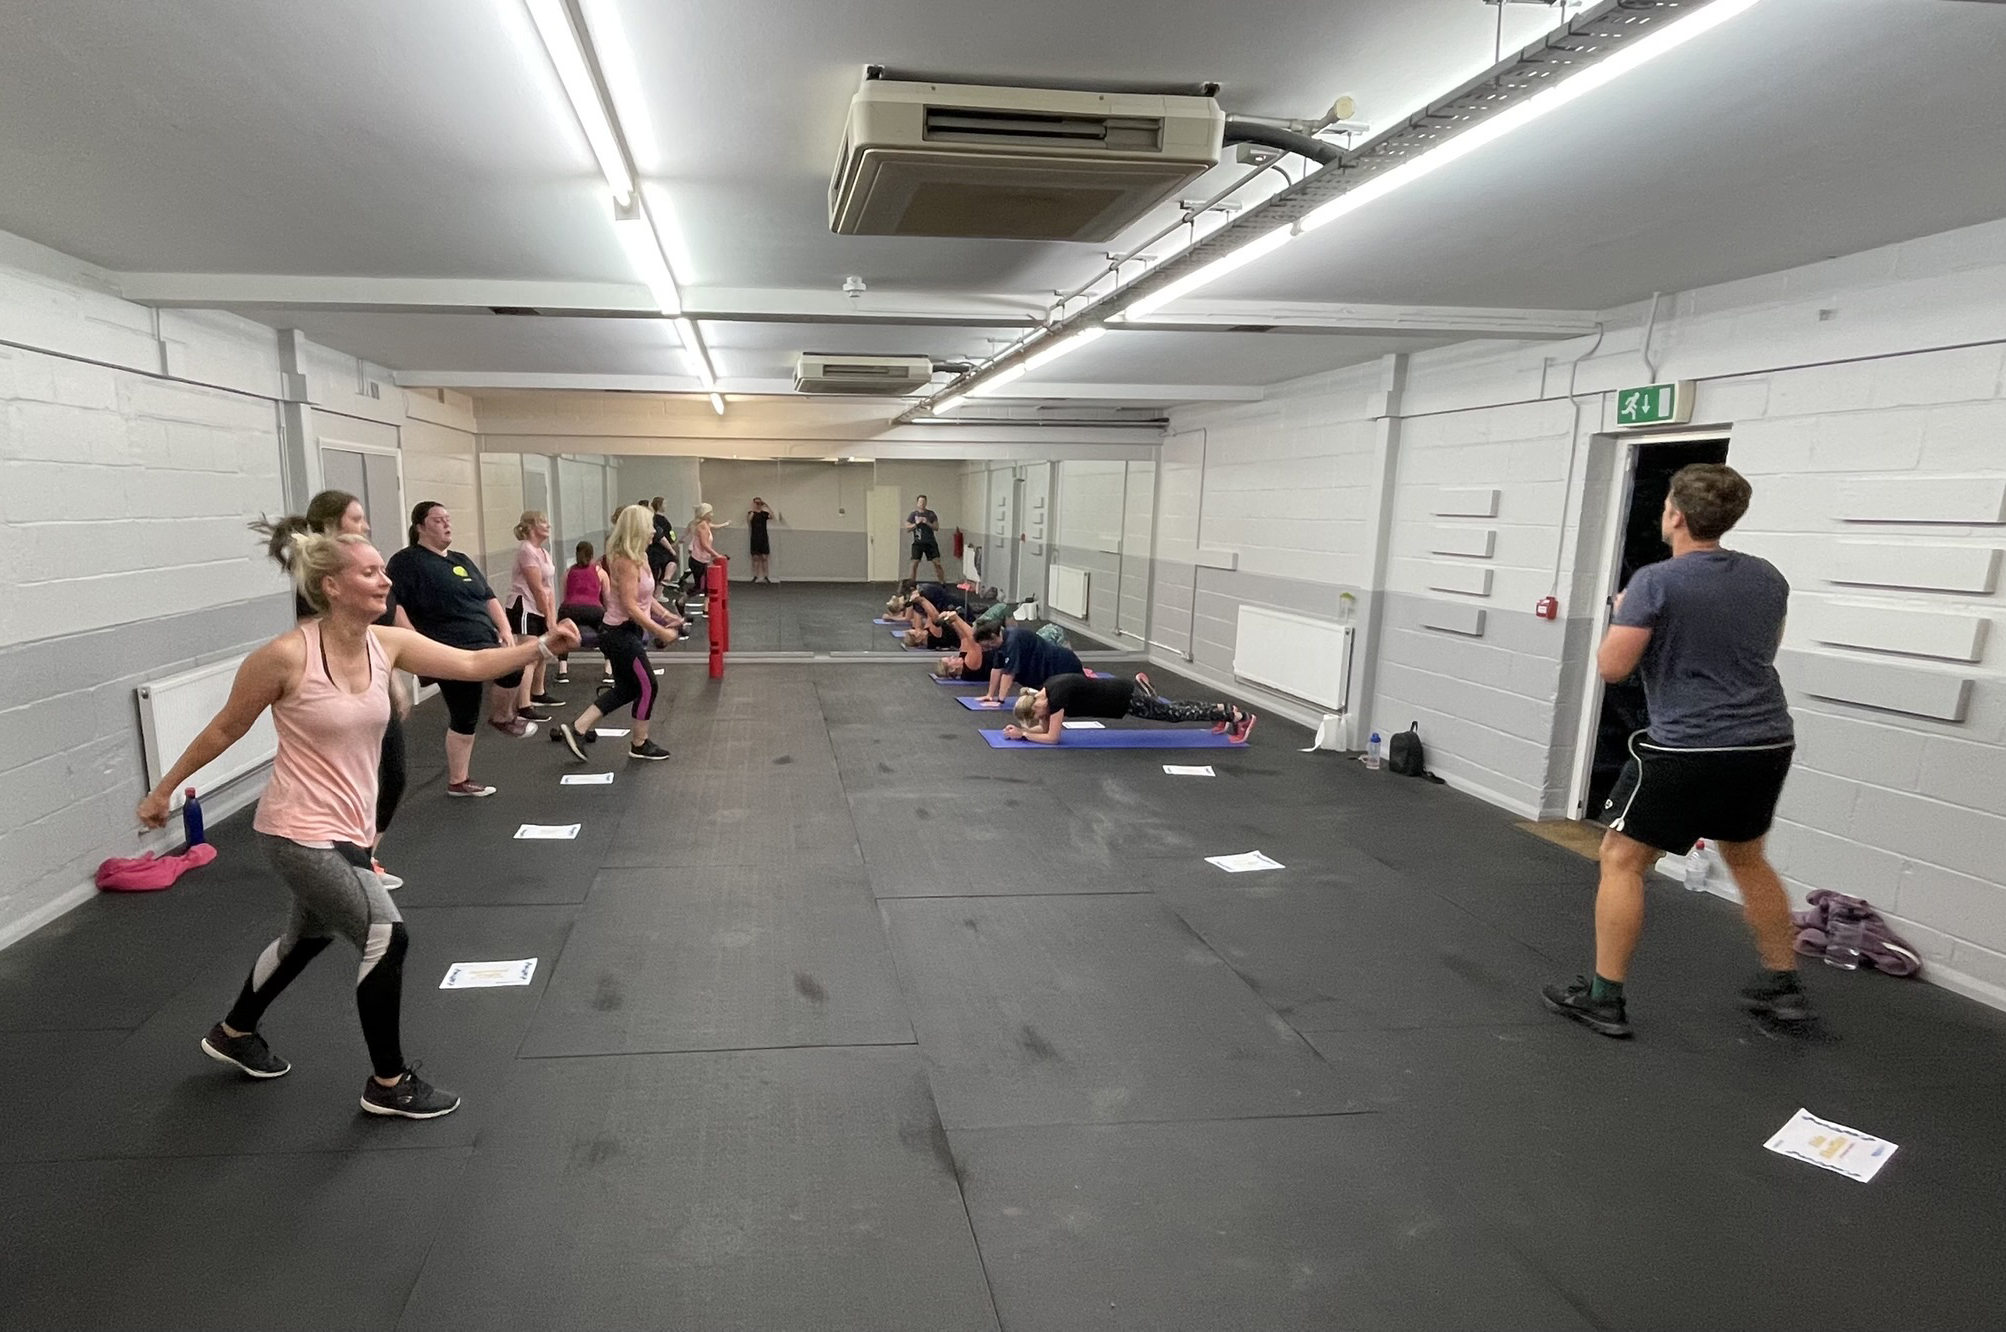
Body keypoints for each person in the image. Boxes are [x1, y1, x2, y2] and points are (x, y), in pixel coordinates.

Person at [138, 527, 579, 1118]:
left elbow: (472, 662)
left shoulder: (385, 644)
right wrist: (163, 790)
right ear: (331, 586)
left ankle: (234, 1032)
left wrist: (542, 647)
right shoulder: (285, 656)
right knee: (385, 935)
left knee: (307, 939)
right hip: (296, 830)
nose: (384, 579)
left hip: (349, 829)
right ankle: (388, 1082)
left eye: (381, 570)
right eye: (369, 572)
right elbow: (225, 728)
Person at [1542, 464, 1808, 1040]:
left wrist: (1627, 611)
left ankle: (1604, 999)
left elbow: (1613, 668)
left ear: (1676, 516)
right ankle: (1783, 986)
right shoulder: (1768, 577)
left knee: (1621, 858)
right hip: (1766, 741)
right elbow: (1762, 648)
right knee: (1748, 858)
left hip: (1689, 746)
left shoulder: (1655, 582)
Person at [252, 491, 410, 892]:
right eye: (357, 518)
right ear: (332, 524)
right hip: (338, 697)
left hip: (369, 687)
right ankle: (356, 862)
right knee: (368, 779)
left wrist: (390, 676)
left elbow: (382, 631)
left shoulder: (365, 568)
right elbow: (320, 639)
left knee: (391, 776)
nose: (366, 525)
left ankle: (362, 857)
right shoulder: (324, 581)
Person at [385, 501, 531, 798]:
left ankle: (501, 717)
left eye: (448, 519)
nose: (446, 524)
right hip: (447, 648)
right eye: (438, 520)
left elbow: (488, 597)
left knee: (513, 667)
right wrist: (413, 639)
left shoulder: (461, 560)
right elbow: (395, 602)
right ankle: (459, 780)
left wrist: (505, 630)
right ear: (420, 527)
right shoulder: (406, 561)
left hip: (482, 640)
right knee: (465, 711)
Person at [557, 505, 681, 763]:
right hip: (618, 634)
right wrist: (660, 630)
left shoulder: (641, 556)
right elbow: (630, 606)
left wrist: (667, 615)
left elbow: (644, 596)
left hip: (628, 632)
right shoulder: (625, 560)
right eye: (650, 526)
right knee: (648, 686)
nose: (654, 532)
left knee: (627, 688)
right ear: (637, 528)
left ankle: (578, 728)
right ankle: (639, 743)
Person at [1006, 672, 1256, 744]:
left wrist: (1025, 735)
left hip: (1124, 699)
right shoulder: (1047, 689)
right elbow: (1044, 728)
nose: (1039, 719)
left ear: (1036, 708)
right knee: (1172, 708)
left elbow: (1052, 737)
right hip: (1120, 691)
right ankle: (1222, 709)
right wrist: (1022, 732)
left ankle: (1240, 717)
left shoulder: (1057, 697)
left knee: (1173, 714)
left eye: (1034, 717)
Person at [509, 510, 560, 708]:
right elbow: (536, 588)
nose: (548, 526)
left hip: (540, 608)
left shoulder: (544, 553)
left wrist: (552, 617)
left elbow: (549, 587)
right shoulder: (526, 550)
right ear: (531, 527)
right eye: (543, 522)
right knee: (529, 656)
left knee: (542, 652)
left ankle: (538, 692)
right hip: (525, 608)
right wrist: (547, 616)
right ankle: (523, 705)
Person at [981, 623, 1083, 704]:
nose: (985, 649)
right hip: (1047, 667)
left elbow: (1009, 674)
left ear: (993, 637)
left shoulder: (1012, 641)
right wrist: (990, 695)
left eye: (986, 646)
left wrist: (1000, 701)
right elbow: (996, 668)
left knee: (1072, 698)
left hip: (1063, 665)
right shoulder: (998, 644)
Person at [557, 540, 612, 687]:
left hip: (570, 608)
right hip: (593, 609)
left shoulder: (568, 572)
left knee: (562, 634)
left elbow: (564, 596)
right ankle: (608, 670)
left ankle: (562, 670)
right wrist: (607, 615)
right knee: (606, 634)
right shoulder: (600, 572)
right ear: (592, 554)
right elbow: (607, 598)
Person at [685, 501, 723, 602]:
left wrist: (725, 524)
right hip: (697, 560)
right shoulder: (702, 526)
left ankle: (706, 608)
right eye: (710, 512)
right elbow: (704, 544)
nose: (712, 514)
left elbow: (715, 527)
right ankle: (681, 601)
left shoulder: (706, 524)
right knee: (700, 587)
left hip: (703, 559)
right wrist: (716, 555)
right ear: (705, 514)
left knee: (707, 586)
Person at [904, 494, 944, 583]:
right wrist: (916, 524)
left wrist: (927, 522)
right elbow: (907, 528)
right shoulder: (913, 514)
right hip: (918, 542)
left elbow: (936, 527)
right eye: (920, 502)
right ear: (917, 503)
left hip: (930, 542)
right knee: (914, 564)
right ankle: (911, 584)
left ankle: (942, 584)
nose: (922, 504)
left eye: (924, 502)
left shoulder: (931, 514)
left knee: (937, 563)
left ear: (926, 503)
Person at [648, 497, 678, 595]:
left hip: (659, 548)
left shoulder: (658, 519)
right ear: (659, 505)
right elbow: (661, 536)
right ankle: (657, 591)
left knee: (656, 571)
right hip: (659, 549)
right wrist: (671, 548)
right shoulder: (658, 520)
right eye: (664, 504)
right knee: (668, 563)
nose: (666, 506)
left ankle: (657, 593)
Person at [747, 497, 778, 583]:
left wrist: (767, 506)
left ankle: (766, 576)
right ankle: (755, 575)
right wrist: (753, 509)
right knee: (755, 557)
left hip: (763, 537)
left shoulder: (764, 514)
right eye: (756, 503)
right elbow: (749, 520)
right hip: (755, 538)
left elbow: (772, 516)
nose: (758, 505)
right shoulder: (751, 513)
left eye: (760, 503)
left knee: (764, 557)